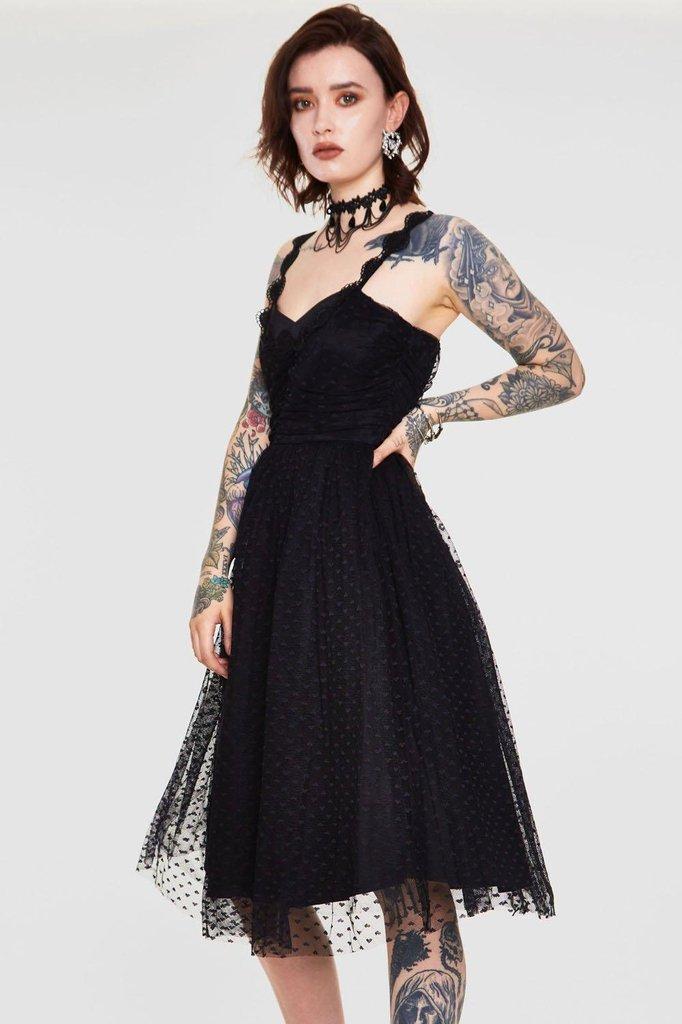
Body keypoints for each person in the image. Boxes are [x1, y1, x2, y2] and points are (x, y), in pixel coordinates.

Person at [136, 5, 585, 1022]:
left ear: (395, 110)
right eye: (303, 104)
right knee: (267, 859)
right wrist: (214, 576)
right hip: (278, 564)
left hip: (377, 563)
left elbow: (559, 365)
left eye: (346, 97)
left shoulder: (445, 246)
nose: (322, 122)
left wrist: (431, 415)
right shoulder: (288, 259)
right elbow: (257, 419)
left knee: (405, 849)